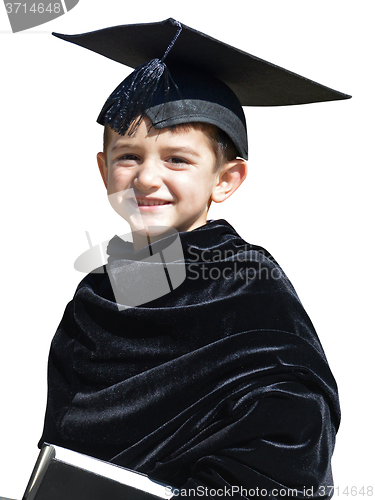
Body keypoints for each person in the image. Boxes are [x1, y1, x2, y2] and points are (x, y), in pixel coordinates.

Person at [38, 18, 350, 498]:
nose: (146, 178)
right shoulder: (94, 299)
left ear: (225, 180)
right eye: (128, 156)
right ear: (103, 171)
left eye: (177, 159)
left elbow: (294, 429)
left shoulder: (244, 282)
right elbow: (62, 441)